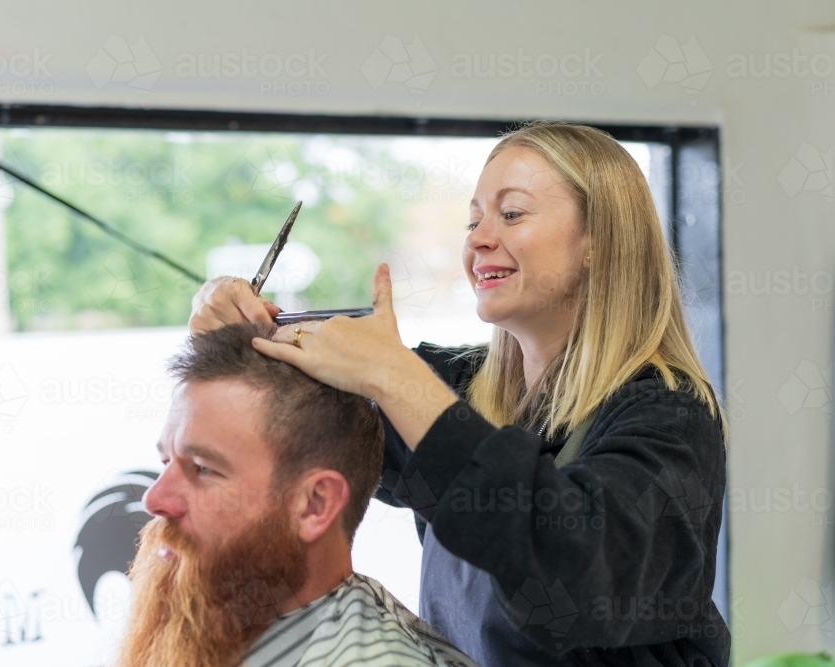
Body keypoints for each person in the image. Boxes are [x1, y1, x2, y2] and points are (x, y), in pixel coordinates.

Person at [189, 122, 730, 667]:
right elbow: (293, 417)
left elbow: (575, 574)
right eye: (474, 220)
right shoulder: (464, 390)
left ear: (600, 240)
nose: (478, 239)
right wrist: (230, 318)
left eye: (512, 214)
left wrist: (397, 379)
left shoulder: (670, 417)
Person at [118, 322, 480, 667]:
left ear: (314, 505)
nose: (155, 498)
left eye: (203, 468)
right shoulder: (211, 625)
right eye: (166, 461)